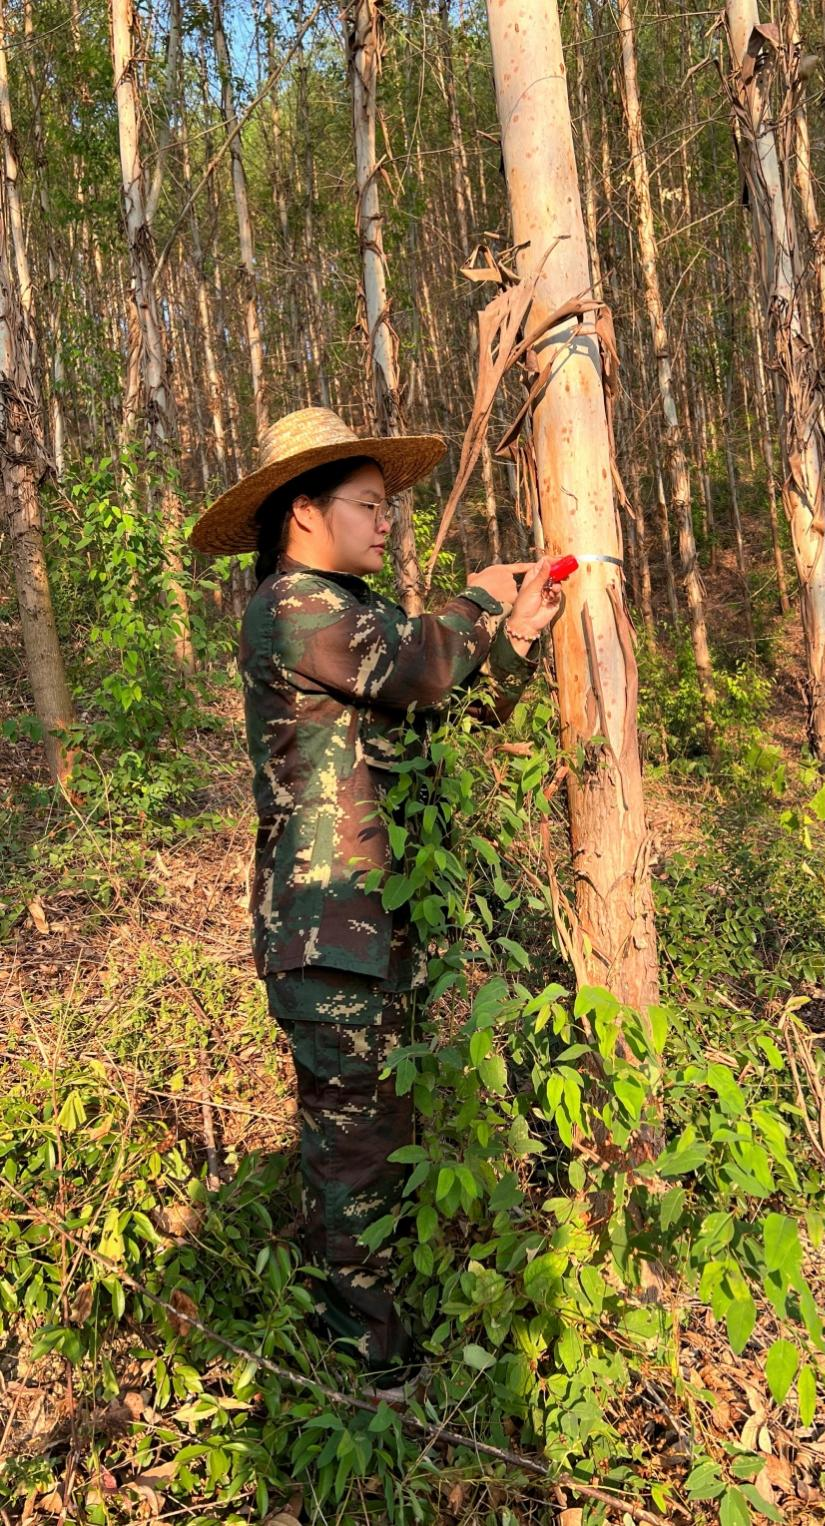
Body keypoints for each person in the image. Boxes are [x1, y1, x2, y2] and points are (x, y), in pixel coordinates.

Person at [190, 406, 561, 1372]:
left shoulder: (359, 617)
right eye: (370, 504)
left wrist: (513, 638)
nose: (387, 520)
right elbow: (419, 668)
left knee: (381, 1133)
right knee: (354, 1152)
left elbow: (443, 713)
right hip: (327, 928)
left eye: (390, 506)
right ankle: (367, 1367)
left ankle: (385, 1340)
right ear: (305, 513)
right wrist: (481, 601)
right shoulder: (291, 607)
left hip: (373, 925)